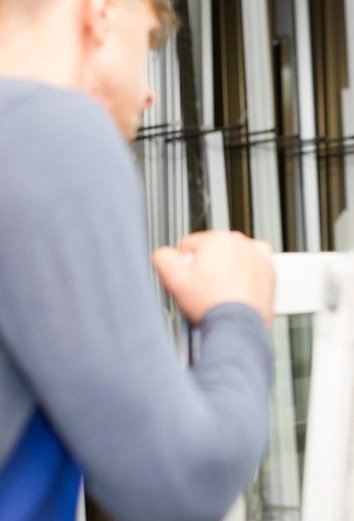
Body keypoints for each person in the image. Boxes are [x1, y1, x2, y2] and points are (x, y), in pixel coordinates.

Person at [0, 1, 276, 520]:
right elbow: (177, 484)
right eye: (146, 42)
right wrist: (238, 312)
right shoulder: (50, 130)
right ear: (99, 14)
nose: (150, 92)